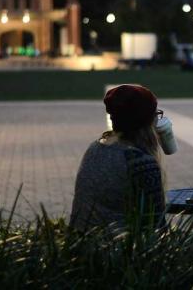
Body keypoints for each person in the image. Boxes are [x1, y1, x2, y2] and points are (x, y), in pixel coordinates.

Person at [70, 84, 167, 231]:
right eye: (155, 114)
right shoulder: (140, 162)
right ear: (147, 120)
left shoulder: (95, 147)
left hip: (81, 244)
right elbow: (156, 226)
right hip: (117, 249)